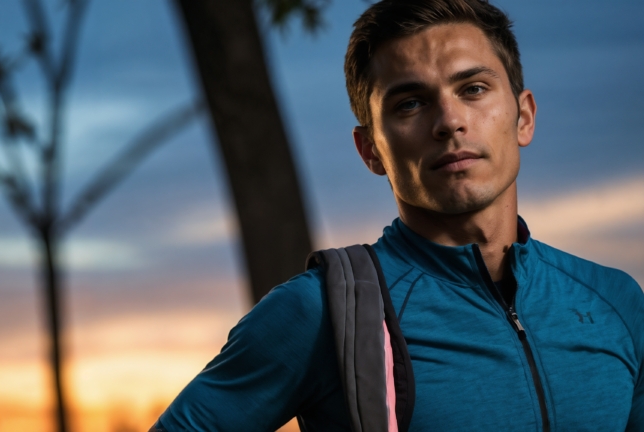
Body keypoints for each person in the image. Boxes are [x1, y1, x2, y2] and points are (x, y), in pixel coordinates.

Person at [151, 0, 644, 430]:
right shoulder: (321, 312)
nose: (450, 121)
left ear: (524, 117)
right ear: (371, 151)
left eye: (472, 89)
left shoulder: (614, 302)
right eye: (410, 103)